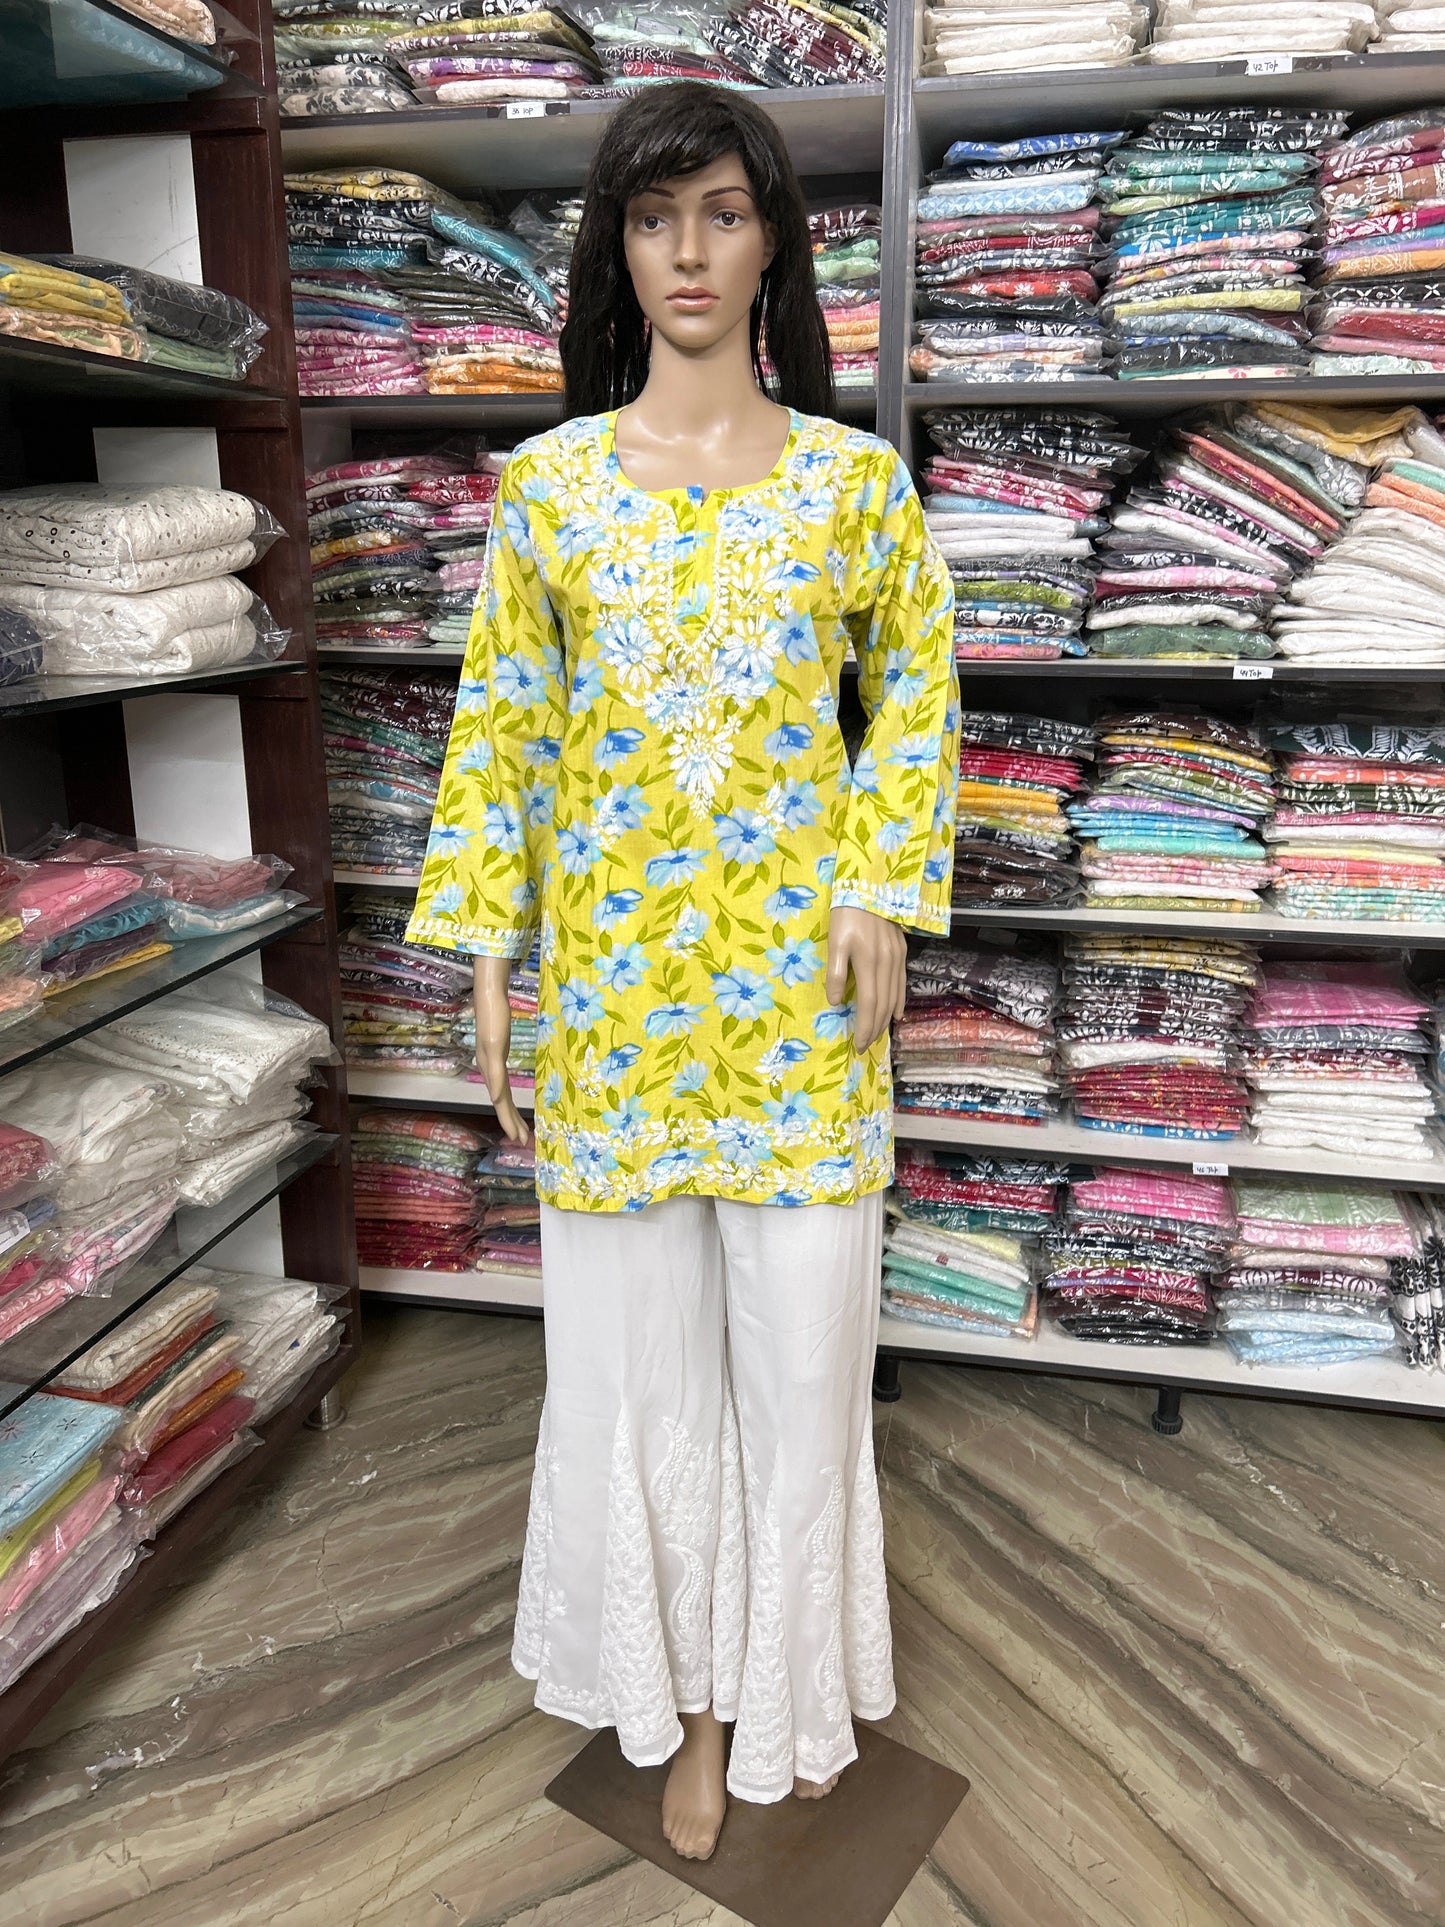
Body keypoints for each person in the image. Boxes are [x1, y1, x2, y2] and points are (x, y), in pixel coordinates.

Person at [406, 80, 960, 1862]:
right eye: (654, 219)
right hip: (622, 1012)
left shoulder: (855, 490)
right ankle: (681, 1708)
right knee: (640, 1374)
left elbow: (920, 699)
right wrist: (490, 943)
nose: (689, 253)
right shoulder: (549, 492)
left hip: (802, 1013)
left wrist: (880, 877)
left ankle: (780, 1696)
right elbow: (498, 731)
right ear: (615, 246)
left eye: (722, 212)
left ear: (778, 233)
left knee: (799, 1366)